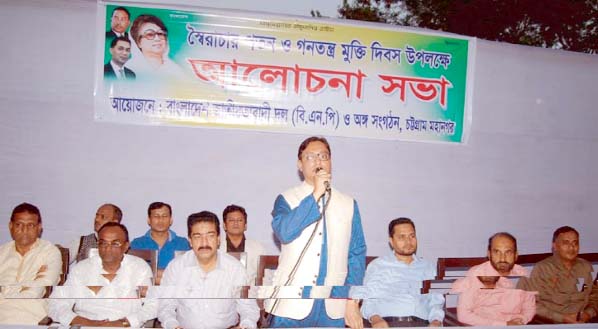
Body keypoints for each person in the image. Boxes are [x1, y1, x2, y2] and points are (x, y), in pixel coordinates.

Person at [262, 136, 366, 328]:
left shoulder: (349, 204)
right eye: (311, 157)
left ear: (331, 162)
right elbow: (284, 232)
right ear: (299, 165)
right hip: (290, 305)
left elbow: (356, 255)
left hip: (333, 306)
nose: (318, 161)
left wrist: (352, 300)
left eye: (324, 156)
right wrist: (316, 194)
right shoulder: (286, 199)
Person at [158, 211, 260, 329]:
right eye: (197, 236)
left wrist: (245, 326)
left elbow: (249, 309)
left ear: (218, 239)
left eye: (210, 236)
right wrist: (173, 326)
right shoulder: (176, 267)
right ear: (190, 241)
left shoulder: (235, 268)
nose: (204, 242)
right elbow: (165, 306)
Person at [49, 222, 157, 327]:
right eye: (103, 243)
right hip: (86, 325)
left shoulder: (139, 268)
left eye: (115, 243)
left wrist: (124, 322)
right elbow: (56, 303)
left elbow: (152, 305)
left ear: (126, 246)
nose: (107, 248)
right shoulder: (82, 269)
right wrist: (85, 322)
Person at [351, 217, 444, 327]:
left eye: (412, 236)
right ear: (391, 241)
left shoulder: (427, 267)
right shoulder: (378, 266)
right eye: (402, 237)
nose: (408, 242)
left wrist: (436, 321)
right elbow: (368, 302)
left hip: (422, 324)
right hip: (388, 323)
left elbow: (436, 302)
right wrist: (376, 319)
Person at [451, 232, 535, 326]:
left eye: (508, 252)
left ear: (516, 255)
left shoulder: (524, 274)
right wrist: (504, 324)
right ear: (489, 254)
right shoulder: (476, 274)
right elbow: (464, 315)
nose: (502, 258)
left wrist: (521, 320)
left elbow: (529, 308)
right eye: (496, 252)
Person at [517, 226, 598, 323]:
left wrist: (588, 313)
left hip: (582, 323)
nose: (572, 247)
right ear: (554, 246)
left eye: (575, 243)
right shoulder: (541, 269)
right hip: (549, 323)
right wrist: (561, 318)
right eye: (566, 243)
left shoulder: (586, 268)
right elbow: (529, 303)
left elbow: (594, 297)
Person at [0, 203, 62, 325]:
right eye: (19, 225)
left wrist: (5, 296)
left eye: (31, 225)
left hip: (33, 317)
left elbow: (36, 291)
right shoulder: (2, 252)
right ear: (10, 226)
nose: (24, 230)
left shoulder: (50, 252)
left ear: (39, 228)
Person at [130, 201, 190, 284]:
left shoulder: (183, 244)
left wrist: (153, 273)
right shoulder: (137, 244)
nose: (160, 220)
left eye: (164, 216)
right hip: (146, 293)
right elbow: (134, 274)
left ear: (171, 220)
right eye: (156, 216)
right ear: (149, 220)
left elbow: (187, 274)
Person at [127, 14, 185, 80]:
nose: (157, 38)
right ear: (138, 42)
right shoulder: (128, 69)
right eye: (150, 34)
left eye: (160, 34)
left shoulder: (176, 70)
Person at [219, 204, 265, 285]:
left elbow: (263, 276)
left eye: (240, 220)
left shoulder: (257, 247)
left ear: (245, 226)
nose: (235, 223)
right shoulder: (216, 247)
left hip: (250, 293)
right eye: (231, 220)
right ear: (224, 225)